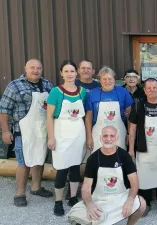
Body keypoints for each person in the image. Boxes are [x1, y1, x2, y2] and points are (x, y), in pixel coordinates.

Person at [0, 59, 53, 207]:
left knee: (39, 158)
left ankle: (36, 187)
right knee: (23, 163)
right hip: (22, 131)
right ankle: (20, 193)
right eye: (32, 68)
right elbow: (3, 110)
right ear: (25, 68)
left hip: (42, 130)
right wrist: (5, 131)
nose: (36, 70)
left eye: (38, 68)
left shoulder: (47, 85)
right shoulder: (14, 85)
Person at [67, 126, 146, 225]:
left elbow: (134, 181)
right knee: (77, 217)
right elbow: (86, 187)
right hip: (99, 199)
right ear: (100, 138)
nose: (108, 139)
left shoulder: (124, 156)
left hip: (119, 197)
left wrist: (130, 200)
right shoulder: (93, 158)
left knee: (141, 204)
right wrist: (90, 205)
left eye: (112, 136)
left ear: (117, 138)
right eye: (105, 136)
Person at [128, 78, 157, 217]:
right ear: (145, 90)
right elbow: (132, 129)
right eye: (149, 88)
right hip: (143, 149)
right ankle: (145, 203)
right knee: (144, 177)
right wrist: (131, 149)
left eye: (155, 88)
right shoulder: (138, 106)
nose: (152, 90)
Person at [46, 60, 87, 216]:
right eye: (66, 71)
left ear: (77, 73)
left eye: (72, 71)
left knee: (76, 166)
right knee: (62, 168)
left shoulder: (82, 91)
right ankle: (58, 201)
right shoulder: (55, 92)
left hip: (78, 132)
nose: (70, 74)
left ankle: (72, 198)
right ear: (61, 73)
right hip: (61, 132)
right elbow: (49, 116)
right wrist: (51, 137)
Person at [85, 66, 133, 152]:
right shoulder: (92, 93)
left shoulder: (123, 92)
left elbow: (130, 114)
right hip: (98, 133)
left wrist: (129, 134)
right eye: (104, 79)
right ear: (100, 81)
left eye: (110, 79)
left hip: (119, 133)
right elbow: (89, 116)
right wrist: (88, 136)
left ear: (114, 79)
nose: (107, 81)